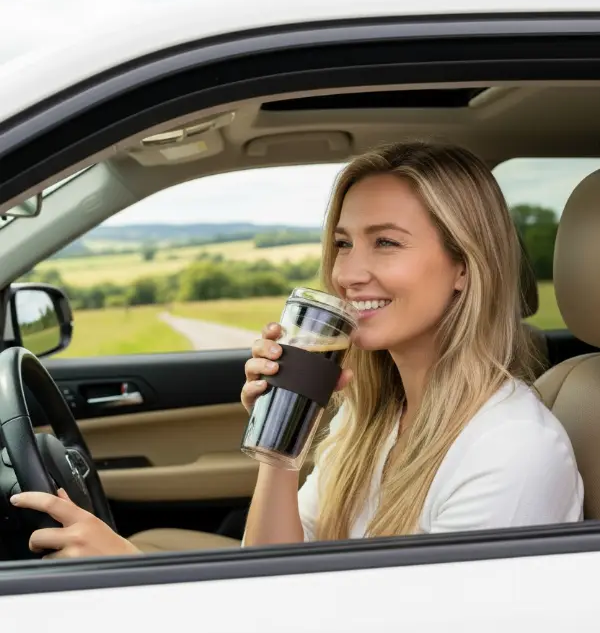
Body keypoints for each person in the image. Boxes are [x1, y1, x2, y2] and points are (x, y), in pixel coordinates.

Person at [11, 141, 583, 556]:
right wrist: (282, 444)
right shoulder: (375, 414)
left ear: (463, 265)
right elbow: (274, 571)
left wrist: (128, 573)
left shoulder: (511, 451)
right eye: (342, 243)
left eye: (385, 243)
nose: (349, 273)